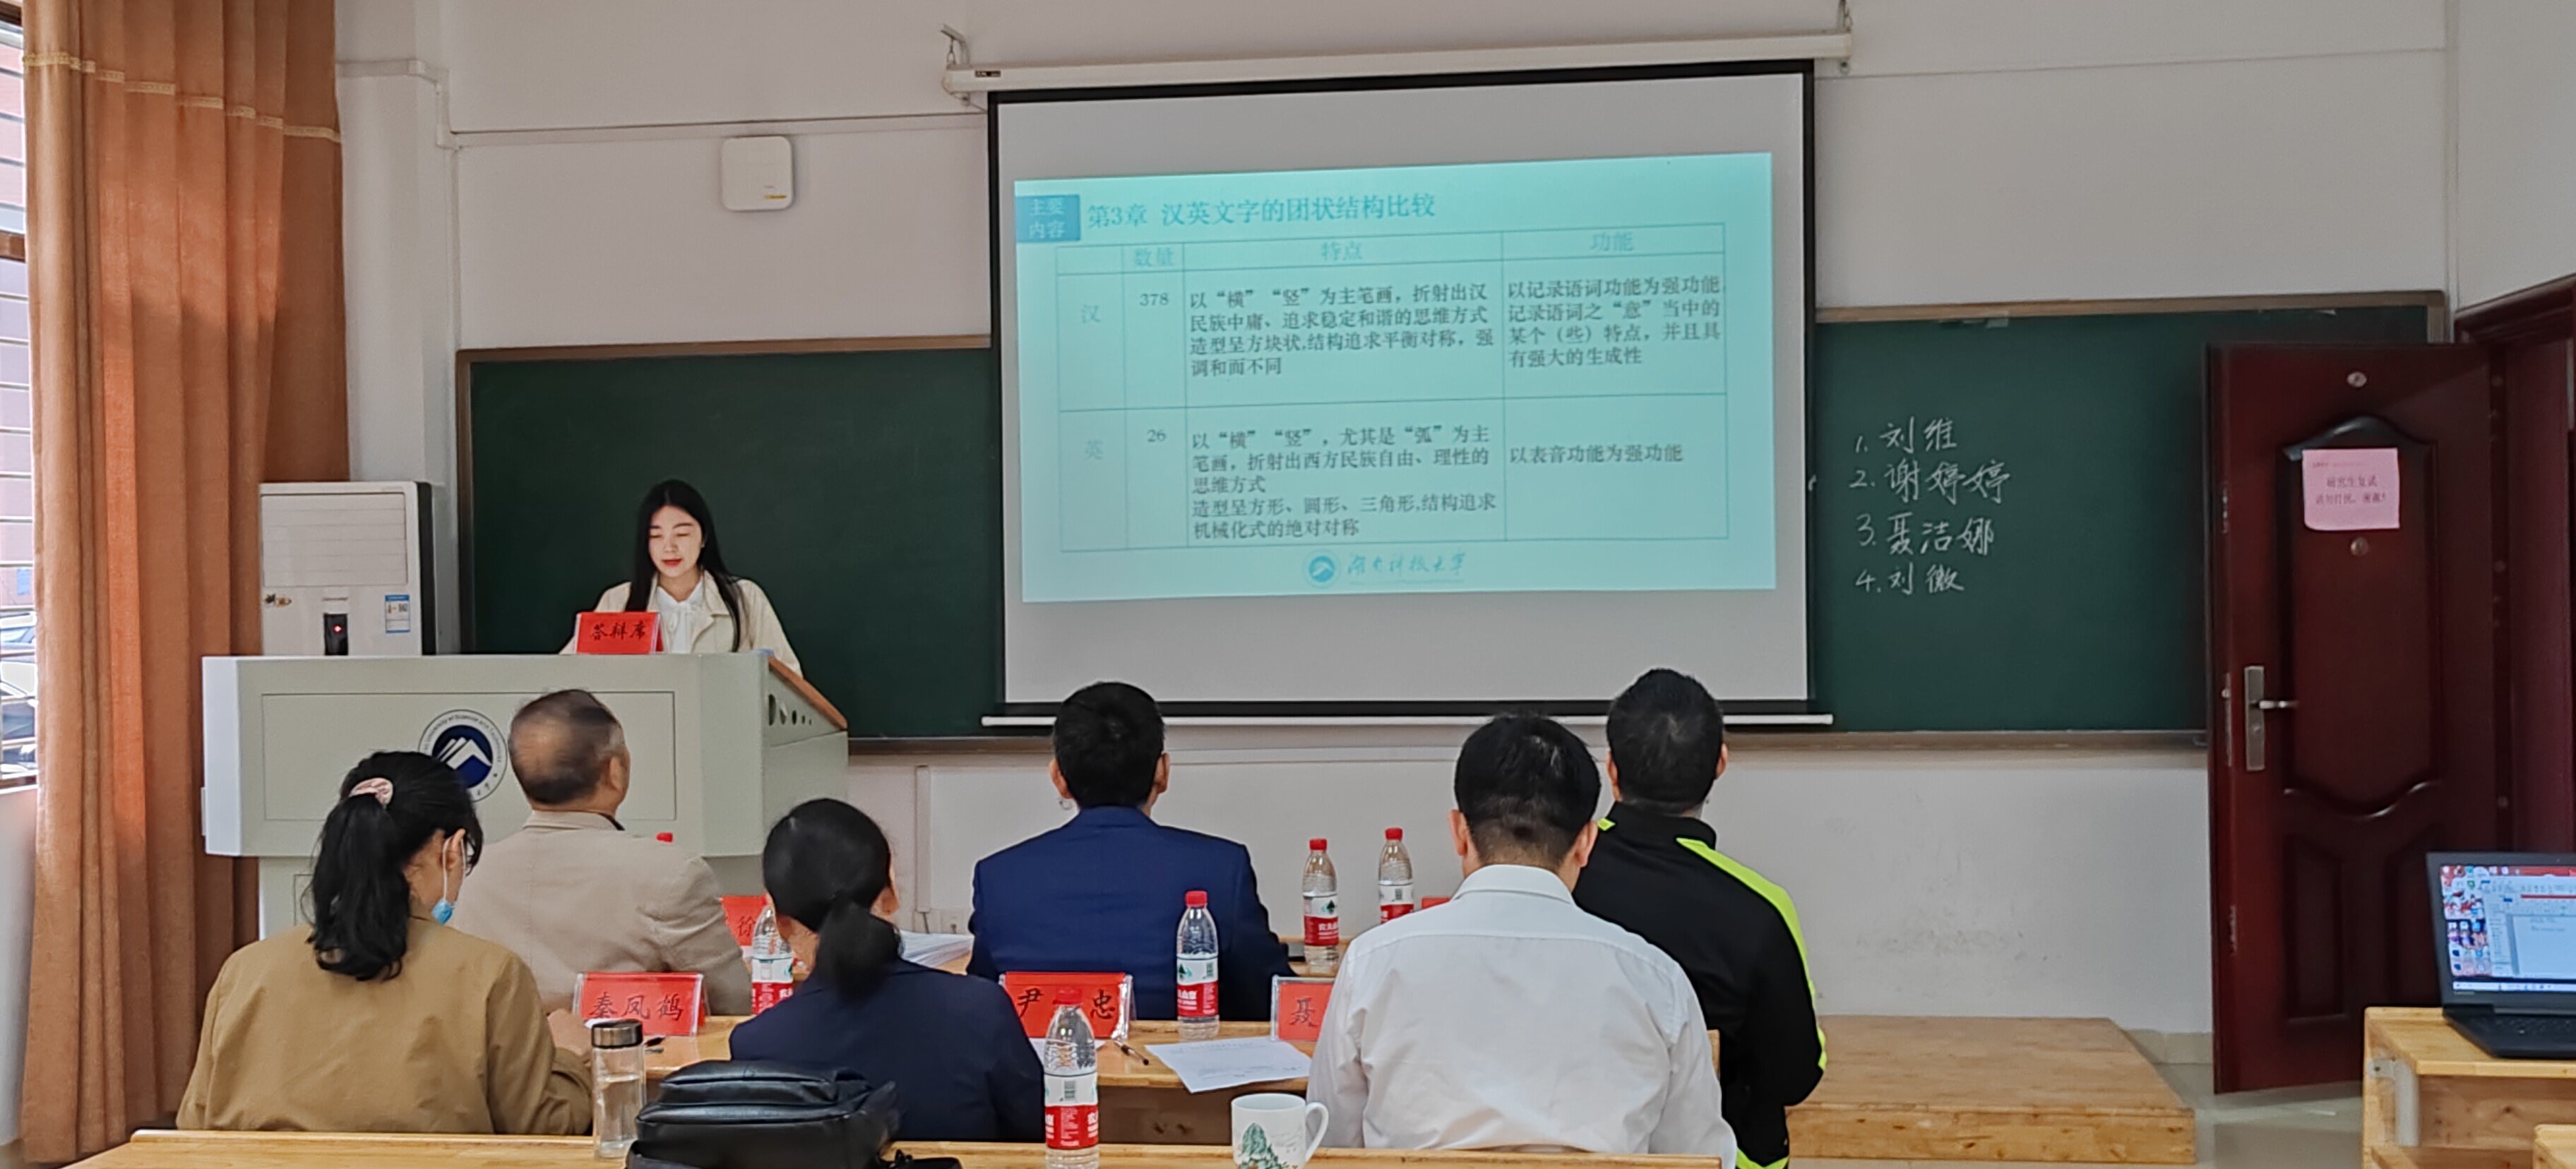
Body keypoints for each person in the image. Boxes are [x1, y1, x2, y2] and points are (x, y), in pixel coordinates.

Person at [1305, 713, 1733, 1158]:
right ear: (1586, 843)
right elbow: (1701, 1158)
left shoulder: (1372, 963)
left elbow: (1329, 1144)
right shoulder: (1656, 981)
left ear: (1460, 833)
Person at [179, 752, 590, 1134]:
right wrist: (571, 1060)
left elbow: (194, 1124)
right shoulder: (492, 974)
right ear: (450, 850)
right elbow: (542, 1128)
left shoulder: (245, 971)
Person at [1573, 669, 1825, 1169]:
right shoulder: (1759, 909)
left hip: (1574, 1153)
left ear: (1612, 769)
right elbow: (1794, 1076)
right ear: (1720, 764)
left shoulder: (1557, 879)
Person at [968, 681, 1293, 1020]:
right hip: (1179, 1055)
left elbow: (984, 1010)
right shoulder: (1221, 868)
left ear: (1059, 778)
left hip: (1046, 1055)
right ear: (1162, 772)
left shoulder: (999, 878)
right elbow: (1272, 1001)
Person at [729, 799, 1043, 1141]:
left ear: (780, 921)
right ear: (890, 892)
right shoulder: (980, 1010)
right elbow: (1040, 1138)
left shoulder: (756, 1046)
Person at [450, 688, 754, 1014]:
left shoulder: (469, 875)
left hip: (497, 1049)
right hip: (632, 1049)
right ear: (615, 771)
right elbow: (734, 1003)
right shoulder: (668, 874)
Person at [566, 479, 800, 670]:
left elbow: (788, 681)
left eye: (682, 534)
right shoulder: (617, 601)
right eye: (656, 536)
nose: (669, 548)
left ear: (704, 537)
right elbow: (568, 674)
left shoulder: (745, 598)